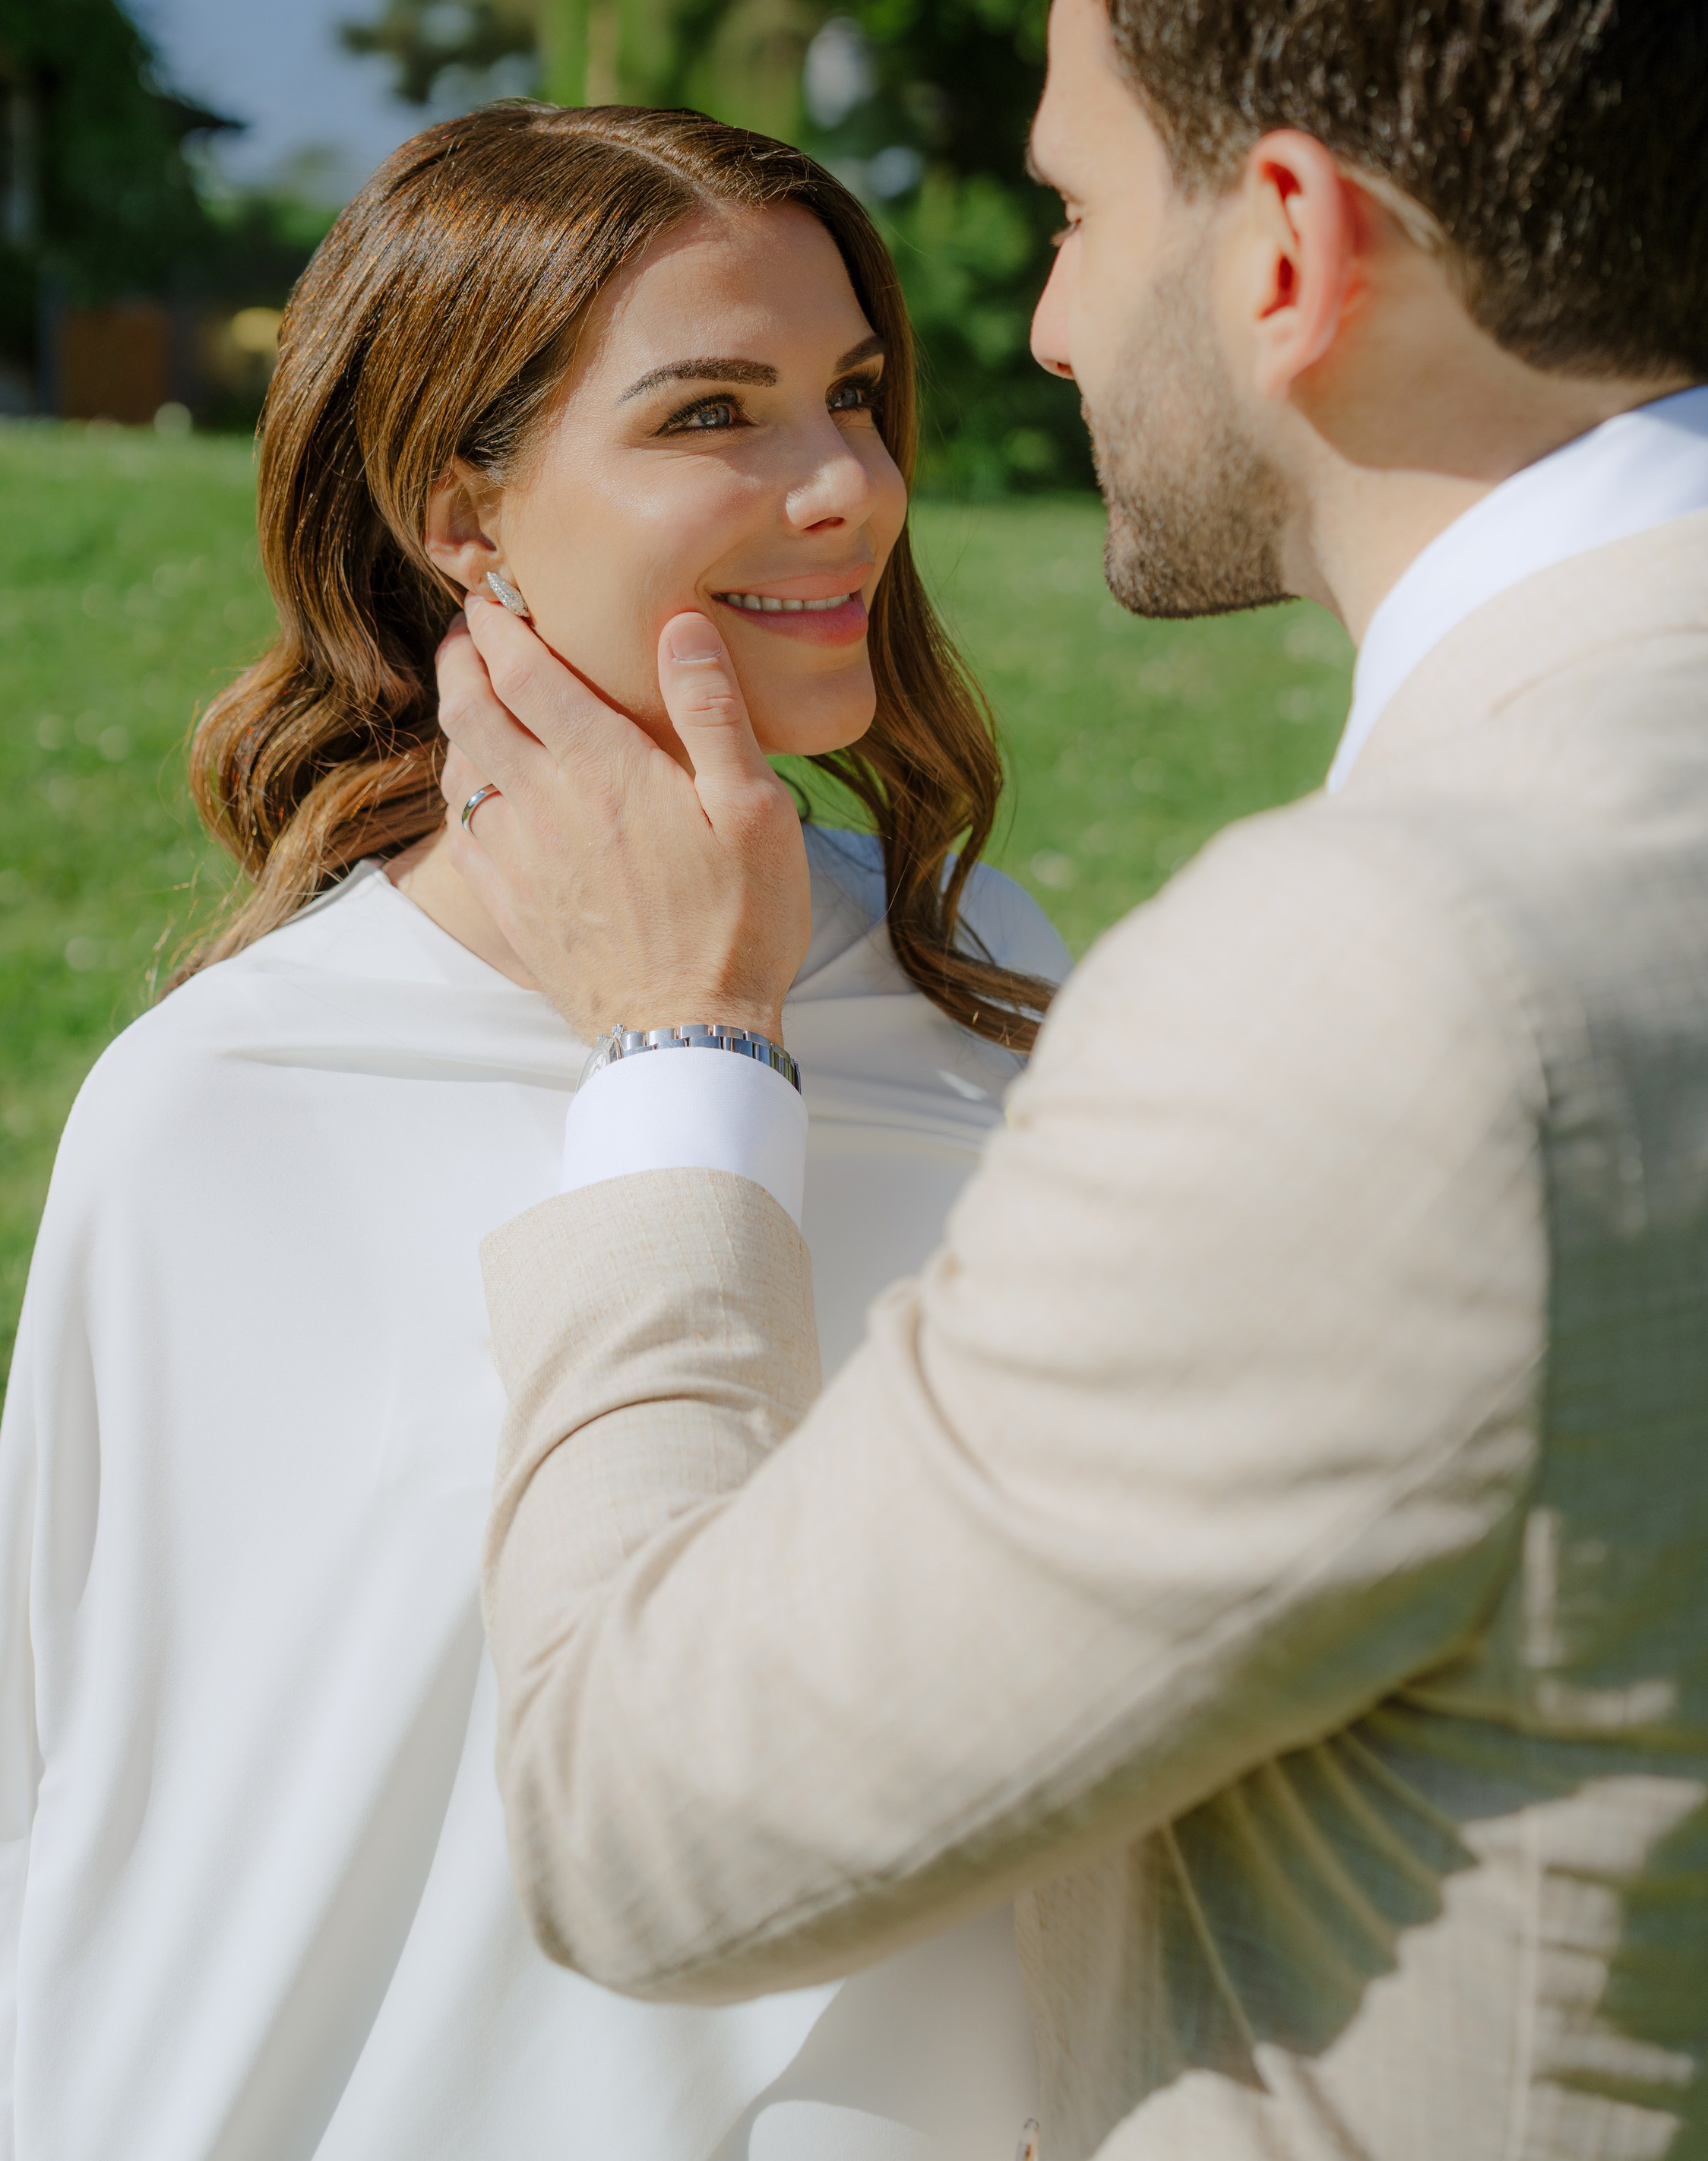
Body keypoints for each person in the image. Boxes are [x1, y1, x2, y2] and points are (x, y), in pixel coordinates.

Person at [438, 0, 1708, 2161]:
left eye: (1069, 209)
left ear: (1282, 247)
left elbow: (642, 1818)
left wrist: (676, 1060)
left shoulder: (1385, 984)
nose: (1033, 321)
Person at [0, 106, 1068, 2161]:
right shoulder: (221, 1109)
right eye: (713, 413)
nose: (846, 484)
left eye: (850, 394)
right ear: (458, 516)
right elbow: (76, 1798)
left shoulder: (997, 993)